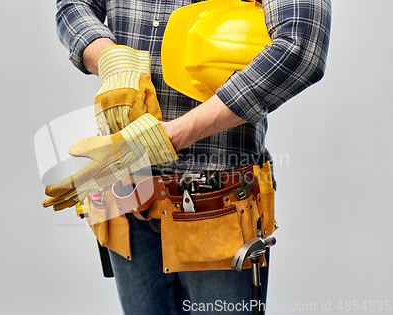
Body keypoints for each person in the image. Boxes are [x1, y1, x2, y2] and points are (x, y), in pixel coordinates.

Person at [51, 0, 331, 314]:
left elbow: (301, 48)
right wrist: (108, 56)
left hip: (216, 207)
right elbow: (75, 4)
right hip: (126, 193)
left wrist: (175, 135)